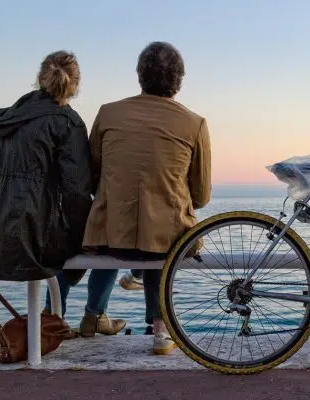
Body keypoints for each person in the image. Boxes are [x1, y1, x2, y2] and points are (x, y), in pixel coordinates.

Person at [82, 41, 211, 355]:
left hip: (108, 236)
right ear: (179, 80)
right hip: (164, 241)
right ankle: (160, 332)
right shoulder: (194, 123)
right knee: (161, 231)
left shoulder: (108, 113)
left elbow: (92, 174)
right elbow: (202, 195)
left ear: (140, 75)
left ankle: (91, 316)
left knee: (119, 224)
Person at [0, 51, 92, 288]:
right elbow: (76, 193)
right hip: (32, 239)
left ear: (40, 78)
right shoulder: (68, 123)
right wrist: (84, 243)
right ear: (75, 86)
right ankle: (73, 310)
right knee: (99, 243)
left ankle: (52, 313)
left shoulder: (5, 121)